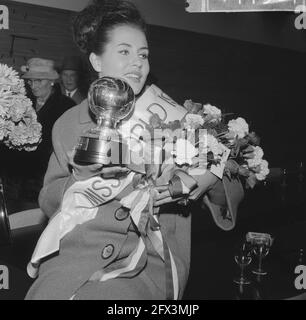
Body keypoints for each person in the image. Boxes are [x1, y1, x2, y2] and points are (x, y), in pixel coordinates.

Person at [25, 0, 244, 300]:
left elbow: (232, 187)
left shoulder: (176, 118)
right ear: (96, 61)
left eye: (143, 54)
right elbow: (49, 201)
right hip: (76, 255)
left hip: (149, 261)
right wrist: (82, 176)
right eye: (125, 51)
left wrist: (210, 179)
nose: (138, 62)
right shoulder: (67, 124)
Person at [18, 58, 76, 204]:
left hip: (45, 176)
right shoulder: (22, 102)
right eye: (30, 81)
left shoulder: (66, 106)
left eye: (38, 81)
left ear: (51, 81)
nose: (33, 86)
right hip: (18, 176)